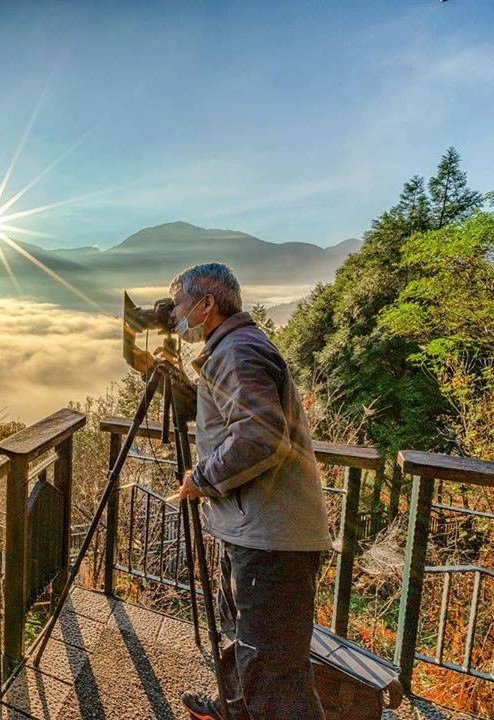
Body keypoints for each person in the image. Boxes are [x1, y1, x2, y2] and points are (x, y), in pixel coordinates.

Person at [170, 263, 332, 720]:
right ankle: (233, 710)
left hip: (272, 539)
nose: (175, 316)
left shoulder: (238, 352)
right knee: (244, 641)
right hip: (253, 528)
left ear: (207, 305)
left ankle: (244, 708)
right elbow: (228, 415)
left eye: (181, 305)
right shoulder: (231, 349)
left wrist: (200, 479)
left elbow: (259, 436)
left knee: (275, 673)